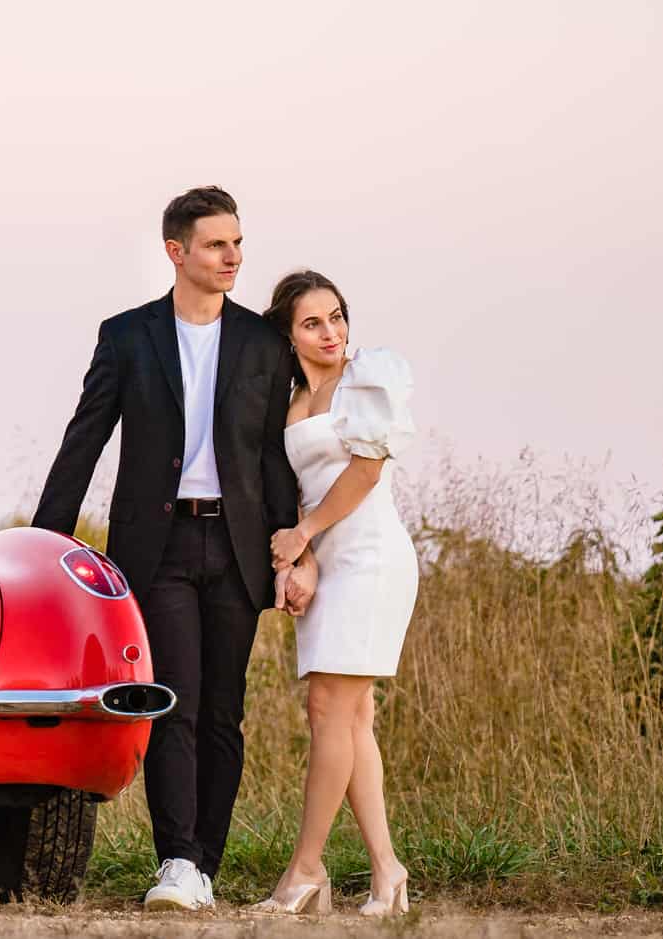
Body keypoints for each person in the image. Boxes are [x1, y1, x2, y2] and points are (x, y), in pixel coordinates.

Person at [32, 186, 316, 912]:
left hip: (238, 545)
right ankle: (178, 860)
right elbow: (85, 437)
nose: (233, 257)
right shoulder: (127, 335)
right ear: (176, 251)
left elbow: (272, 459)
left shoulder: (261, 342)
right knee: (177, 703)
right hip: (157, 545)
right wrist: (44, 542)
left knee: (225, 711)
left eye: (238, 243)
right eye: (218, 244)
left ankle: (206, 865)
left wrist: (293, 552)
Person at [250, 269, 419, 918]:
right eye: (313, 322)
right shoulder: (288, 402)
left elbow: (367, 469)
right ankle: (388, 871)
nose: (331, 332)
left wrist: (305, 533)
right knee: (350, 719)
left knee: (328, 707)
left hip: (373, 558)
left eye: (338, 316)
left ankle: (306, 869)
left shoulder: (365, 379)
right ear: (288, 334)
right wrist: (307, 560)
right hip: (330, 562)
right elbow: (296, 493)